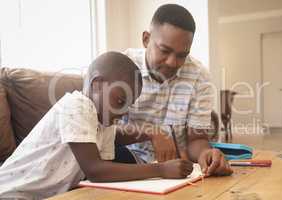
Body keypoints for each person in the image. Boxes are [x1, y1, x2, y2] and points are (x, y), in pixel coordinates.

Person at [0, 52, 194, 200]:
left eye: (128, 105)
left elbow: (106, 171)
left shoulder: (104, 121)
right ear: (97, 85)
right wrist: (160, 170)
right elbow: (96, 170)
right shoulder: (77, 105)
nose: (124, 112)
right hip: (12, 193)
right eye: (120, 101)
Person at [117, 4, 233, 176]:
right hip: (126, 165)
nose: (172, 62)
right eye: (165, 50)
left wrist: (205, 154)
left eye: (182, 55)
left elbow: (197, 139)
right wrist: (151, 132)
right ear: (146, 39)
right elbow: (103, 134)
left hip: (178, 169)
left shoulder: (199, 76)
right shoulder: (120, 67)